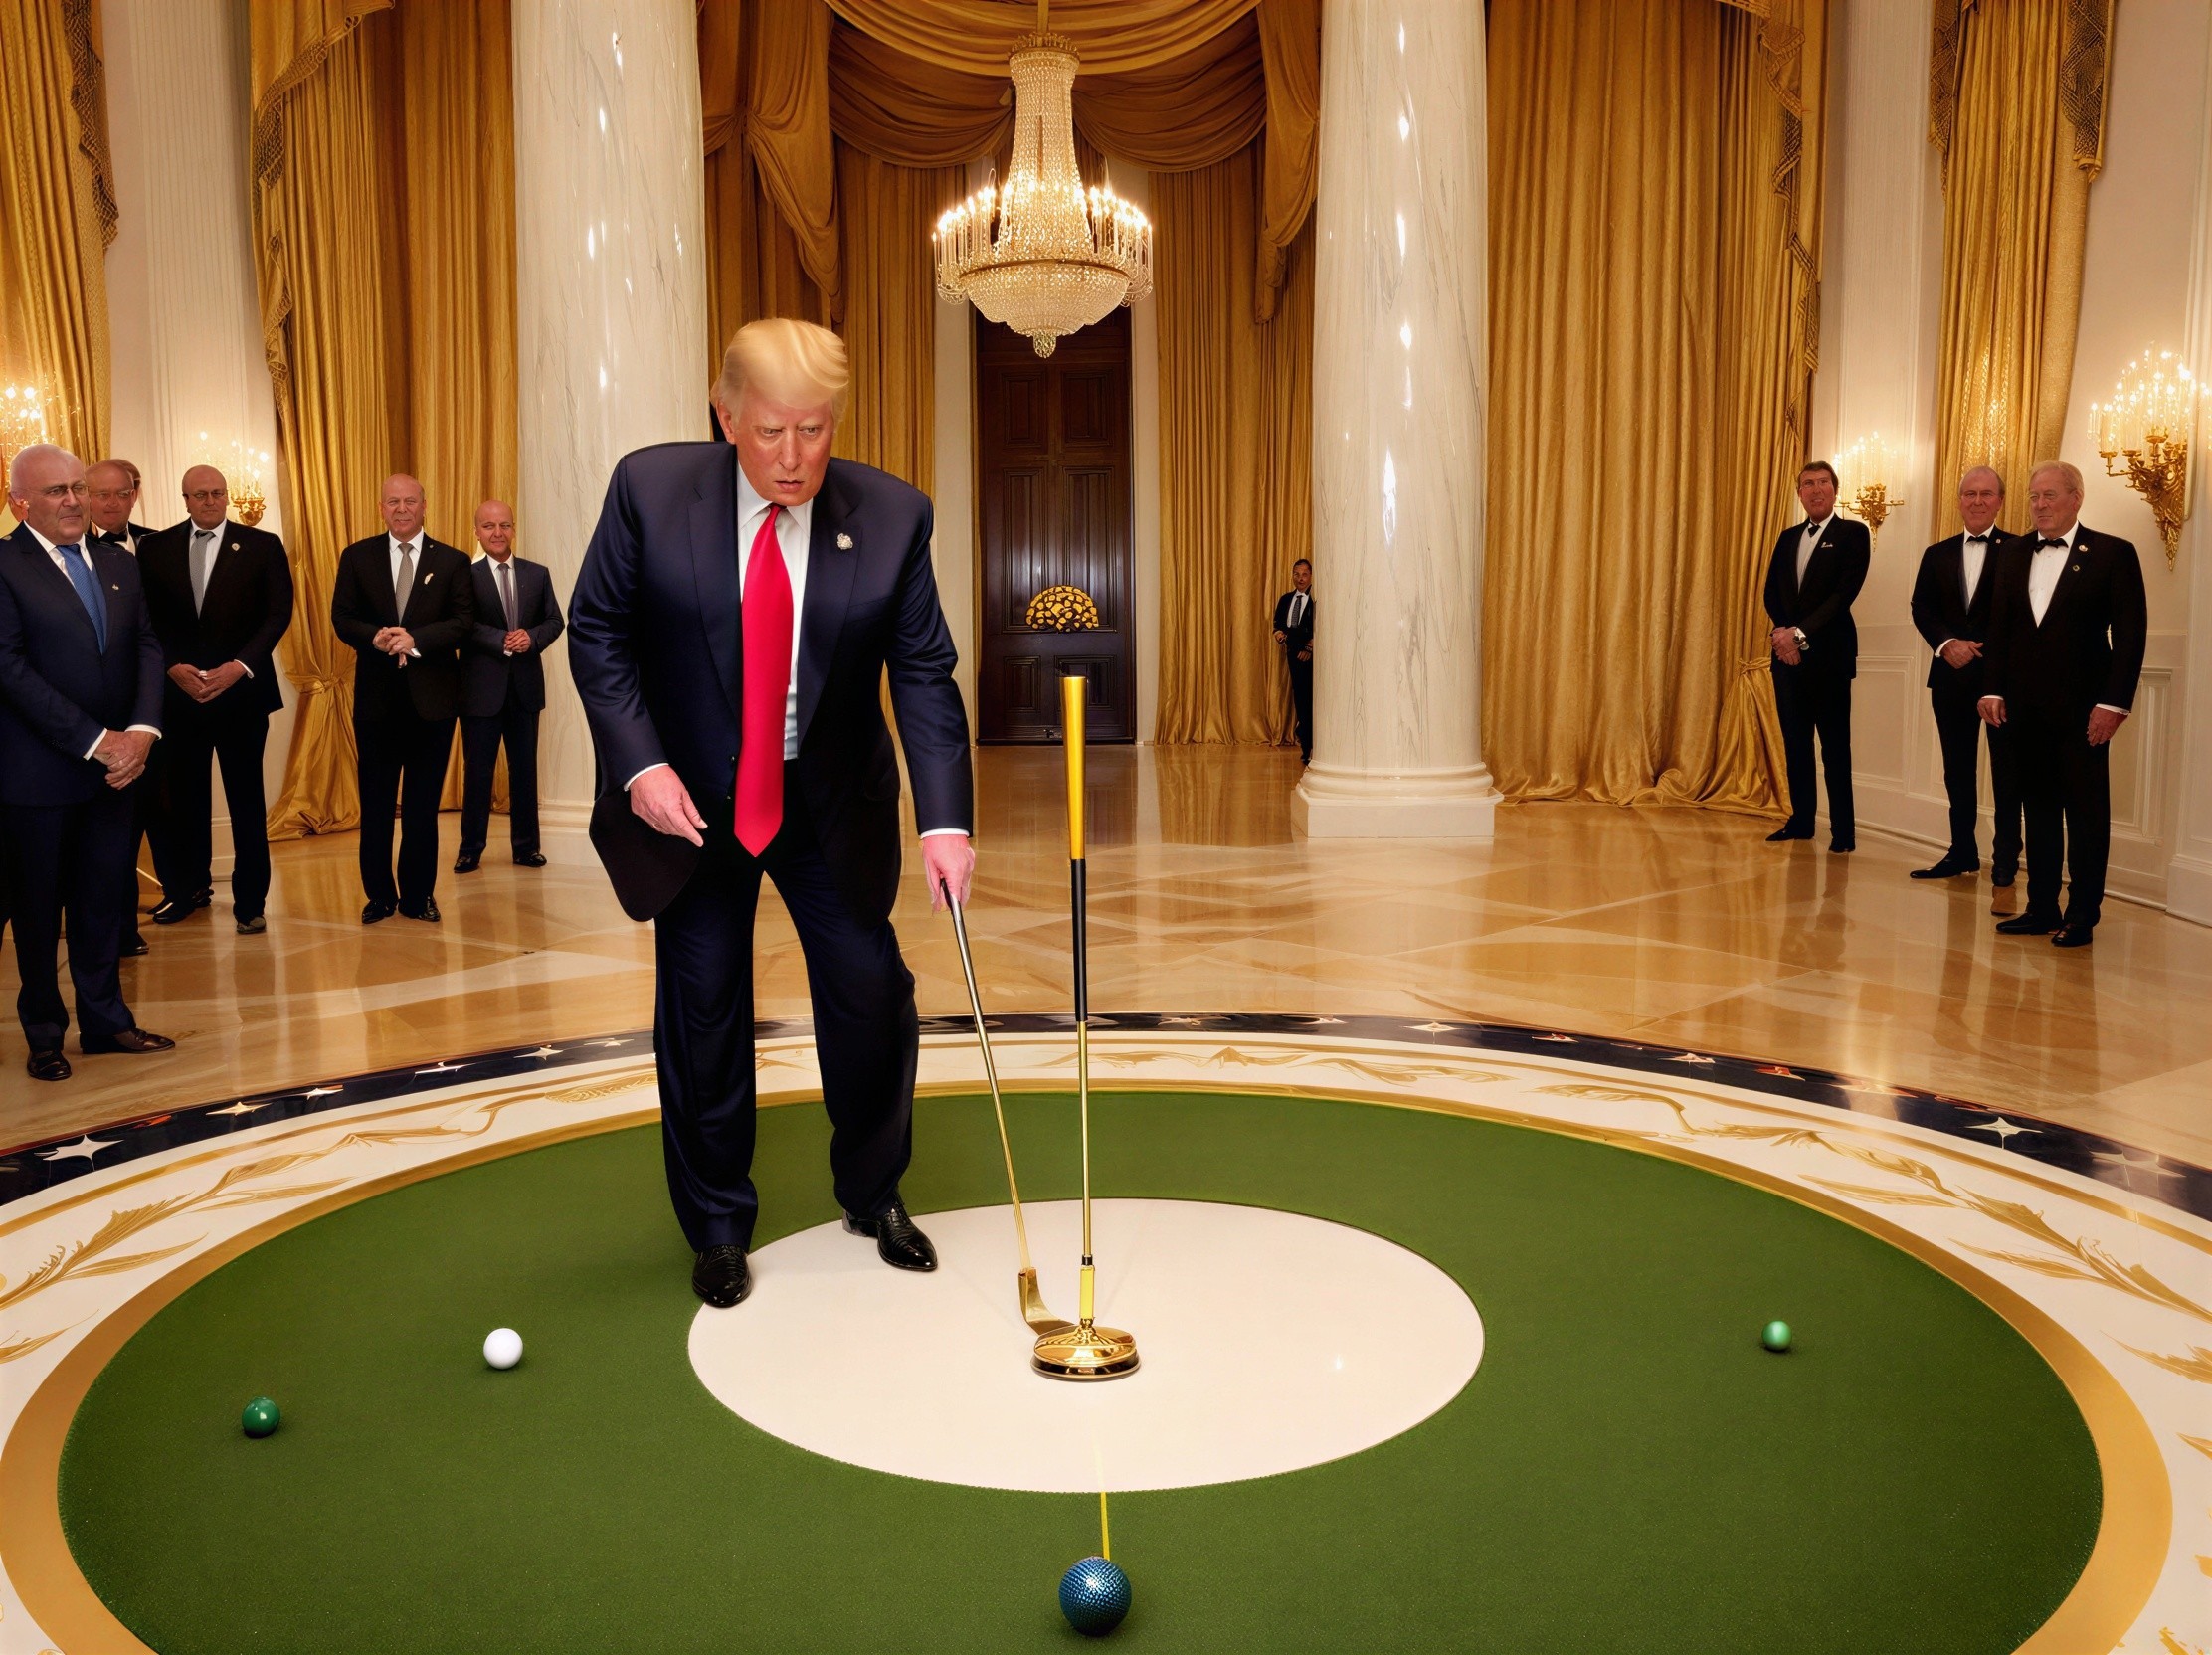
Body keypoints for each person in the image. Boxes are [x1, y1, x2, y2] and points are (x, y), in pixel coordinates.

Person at [569, 317, 975, 1311]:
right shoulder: (650, 490)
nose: (793, 457)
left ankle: (872, 1191)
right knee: (703, 1006)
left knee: (870, 991)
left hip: (825, 799)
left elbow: (923, 671)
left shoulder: (892, 516)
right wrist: (640, 763)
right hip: (691, 802)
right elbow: (597, 630)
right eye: (769, 432)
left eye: (814, 430)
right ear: (726, 415)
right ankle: (717, 1224)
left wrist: (945, 821)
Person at [0, 444, 175, 1081]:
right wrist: (96, 739)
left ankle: (106, 1023)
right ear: (19, 502)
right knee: (37, 911)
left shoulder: (117, 562)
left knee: (103, 901)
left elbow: (148, 646)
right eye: (57, 491)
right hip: (38, 774)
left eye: (78, 487)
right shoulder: (5, 565)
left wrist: (142, 732)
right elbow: (8, 669)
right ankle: (45, 1033)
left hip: (118, 770)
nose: (74, 501)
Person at [1978, 460, 2146, 948]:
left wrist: (2114, 703)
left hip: (2084, 711)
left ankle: (2082, 915)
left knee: (2086, 813)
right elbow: (1999, 628)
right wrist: (1991, 690)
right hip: (2022, 711)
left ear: (2076, 498)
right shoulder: (2011, 553)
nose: (2040, 505)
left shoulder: (2113, 554)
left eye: (2049, 495)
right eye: (2034, 497)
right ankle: (2041, 907)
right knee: (2039, 809)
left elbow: (2130, 635)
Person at [139, 466, 295, 934]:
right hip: (180, 696)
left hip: (242, 695)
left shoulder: (262, 546)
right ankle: (190, 889)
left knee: (246, 800)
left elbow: (277, 614)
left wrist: (238, 666)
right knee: (185, 802)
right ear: (185, 499)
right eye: (200, 495)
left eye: (217, 493)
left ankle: (250, 902)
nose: (210, 501)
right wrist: (171, 665)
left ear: (227, 497)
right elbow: (145, 618)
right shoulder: (154, 548)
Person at [330, 475, 473, 923]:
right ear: (381, 508)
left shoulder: (452, 560)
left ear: (424, 506)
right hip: (376, 703)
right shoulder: (357, 556)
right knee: (375, 805)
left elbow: (463, 621)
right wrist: (376, 637)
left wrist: (415, 640)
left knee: (421, 808)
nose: (402, 509)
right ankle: (378, 896)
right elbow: (342, 617)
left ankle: (418, 896)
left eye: (410, 501)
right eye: (393, 502)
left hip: (433, 704)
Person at [1908, 465, 2024, 907]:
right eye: (1970, 494)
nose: (1977, 501)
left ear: (2000, 501)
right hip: (1951, 676)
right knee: (1957, 769)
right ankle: (1962, 852)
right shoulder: (1935, 553)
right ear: (1959, 501)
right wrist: (1947, 644)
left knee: (2007, 773)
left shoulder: (2019, 550)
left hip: (2002, 681)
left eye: (1986, 494)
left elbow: (2024, 613)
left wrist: (1986, 651)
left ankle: (2006, 866)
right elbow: (1921, 607)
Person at [1762, 460, 1870, 851]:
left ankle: (1843, 833)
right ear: (1800, 494)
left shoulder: (1853, 534)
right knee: (1795, 744)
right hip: (1786, 658)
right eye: (1808, 484)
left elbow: (1843, 595)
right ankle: (1801, 821)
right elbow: (1771, 592)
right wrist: (1783, 635)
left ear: (1835, 490)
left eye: (1823, 482)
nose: (1816, 489)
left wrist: (1799, 634)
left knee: (1835, 747)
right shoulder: (1788, 537)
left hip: (1830, 658)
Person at [456, 500, 564, 873]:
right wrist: (500, 639)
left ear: (513, 529)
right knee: (478, 773)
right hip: (480, 692)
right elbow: (461, 625)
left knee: (525, 772)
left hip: (525, 690)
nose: (497, 533)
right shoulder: (465, 577)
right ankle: (470, 849)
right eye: (488, 526)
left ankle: (527, 848)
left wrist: (531, 638)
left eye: (504, 525)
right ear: (477, 531)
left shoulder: (538, 574)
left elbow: (554, 620)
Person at [85, 458, 156, 951]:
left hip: (146, 714)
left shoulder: (155, 546)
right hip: (85, 723)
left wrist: (147, 721)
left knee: (132, 825)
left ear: (135, 495)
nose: (113, 504)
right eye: (102, 494)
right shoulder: (57, 556)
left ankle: (124, 927)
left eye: (122, 494)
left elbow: (154, 635)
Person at [1272, 558, 1315, 764]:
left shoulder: (1315, 600)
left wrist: (1310, 647)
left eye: (1304, 574)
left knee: (1311, 700)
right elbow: (1278, 623)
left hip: (1312, 658)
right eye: (1297, 574)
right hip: (1293, 655)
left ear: (1311, 576)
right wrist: (1278, 633)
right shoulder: (1286, 599)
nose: (1300, 578)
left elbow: (1320, 626)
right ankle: (1305, 745)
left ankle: (1312, 744)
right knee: (1300, 700)